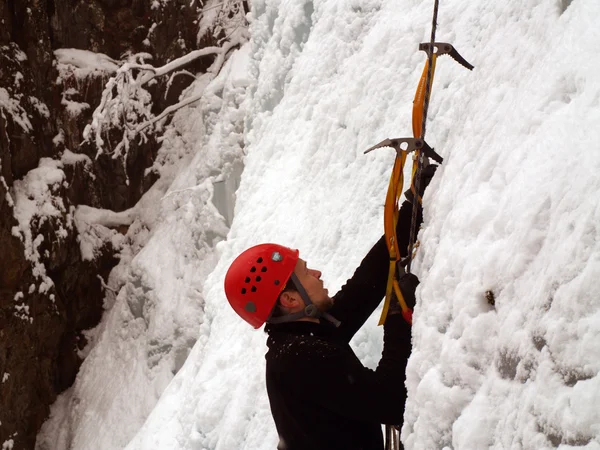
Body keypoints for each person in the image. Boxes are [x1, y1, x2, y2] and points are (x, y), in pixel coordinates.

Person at [224, 167, 436, 450]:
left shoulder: (302, 336)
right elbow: (391, 402)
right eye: (306, 273)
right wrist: (397, 320)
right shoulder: (302, 359)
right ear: (290, 300)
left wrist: (413, 209)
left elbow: (365, 286)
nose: (317, 273)